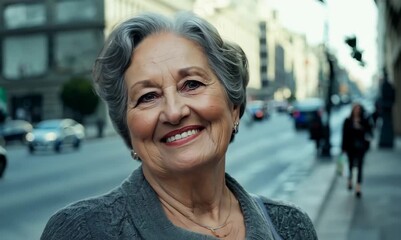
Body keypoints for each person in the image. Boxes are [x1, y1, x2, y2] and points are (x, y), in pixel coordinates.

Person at [41, 12, 317, 240]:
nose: (173, 112)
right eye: (148, 97)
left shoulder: (291, 227)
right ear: (128, 130)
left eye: (192, 84)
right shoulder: (82, 232)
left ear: (234, 107)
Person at [341, 102, 372, 198]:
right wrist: (343, 148)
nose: (357, 111)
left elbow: (369, 132)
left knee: (360, 166)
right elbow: (344, 135)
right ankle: (350, 180)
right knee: (350, 165)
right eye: (356, 109)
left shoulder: (364, 120)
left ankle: (358, 187)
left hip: (361, 147)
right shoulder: (347, 120)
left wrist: (360, 127)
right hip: (350, 147)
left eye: (359, 109)